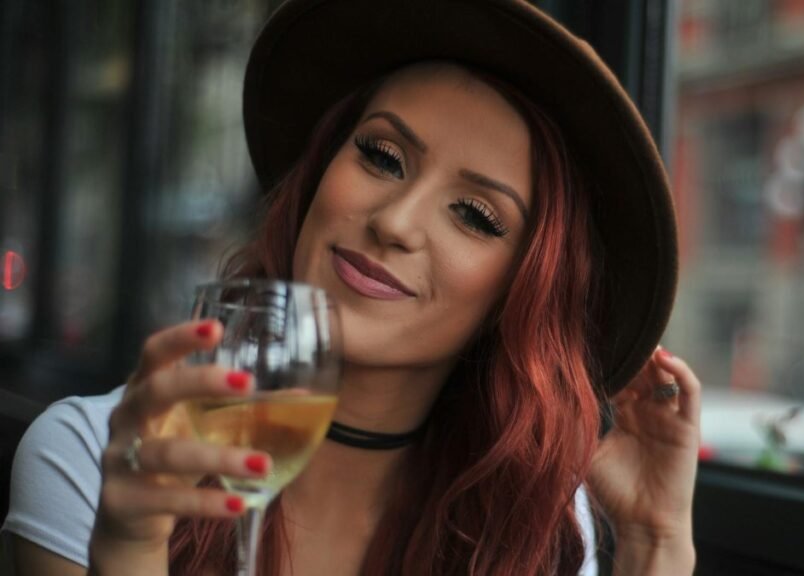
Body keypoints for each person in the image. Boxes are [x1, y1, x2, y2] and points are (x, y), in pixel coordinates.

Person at [3, 1, 701, 574]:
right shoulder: (89, 460)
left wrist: (655, 541)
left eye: (476, 215)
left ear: (521, 291)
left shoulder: (537, 527)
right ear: (316, 176)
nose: (395, 221)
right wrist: (128, 546)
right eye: (381, 155)